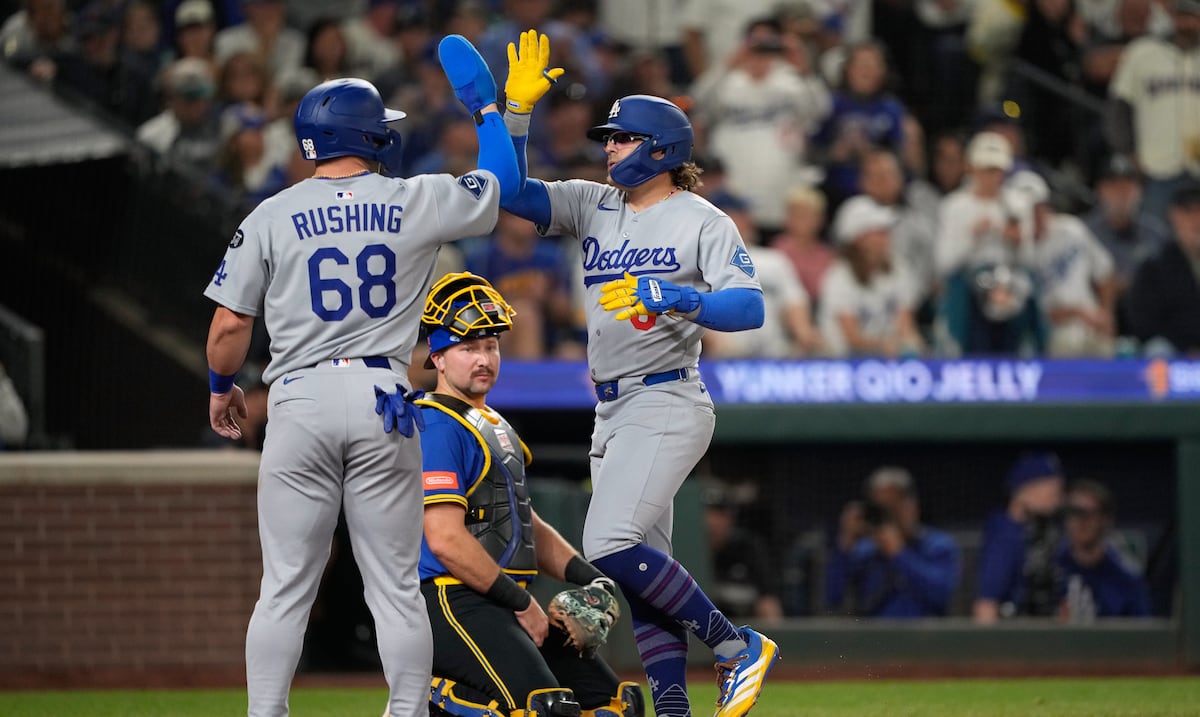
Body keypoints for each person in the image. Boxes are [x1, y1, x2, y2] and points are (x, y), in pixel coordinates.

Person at [201, 33, 520, 717]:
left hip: (300, 394)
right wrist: (488, 110)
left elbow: (229, 329)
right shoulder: (415, 197)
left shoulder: (272, 213)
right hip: (384, 395)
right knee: (397, 586)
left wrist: (220, 388)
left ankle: (266, 712)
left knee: (286, 583)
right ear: (368, 136)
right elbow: (506, 182)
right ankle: (405, 711)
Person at [497, 30, 777, 717]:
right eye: (609, 138)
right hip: (614, 408)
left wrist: (680, 296)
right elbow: (508, 191)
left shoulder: (700, 219)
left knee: (607, 543)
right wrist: (514, 116)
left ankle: (736, 645)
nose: (609, 148)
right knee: (644, 574)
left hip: (668, 398)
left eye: (621, 139)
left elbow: (749, 306)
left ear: (660, 149)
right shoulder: (595, 203)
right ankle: (675, 710)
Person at [398, 271, 643, 717]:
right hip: (451, 600)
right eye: (467, 347)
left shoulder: (493, 422)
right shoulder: (434, 424)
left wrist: (589, 578)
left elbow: (524, 522)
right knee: (545, 708)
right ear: (437, 356)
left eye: (490, 346)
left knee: (617, 705)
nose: (483, 358)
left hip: (502, 597)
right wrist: (521, 602)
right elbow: (446, 540)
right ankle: (438, 699)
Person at [826, 467, 960, 618]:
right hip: (874, 637)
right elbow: (833, 599)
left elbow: (941, 595)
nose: (888, 518)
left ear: (911, 506)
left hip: (925, 636)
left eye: (892, 508)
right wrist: (845, 543)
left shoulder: (938, 546)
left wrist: (899, 553)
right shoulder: (865, 551)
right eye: (880, 510)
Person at [818, 196, 924, 358]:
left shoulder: (899, 268)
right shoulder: (839, 278)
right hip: (843, 363)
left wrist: (912, 344)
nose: (887, 238)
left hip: (888, 359)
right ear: (859, 239)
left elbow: (905, 324)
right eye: (879, 232)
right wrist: (885, 345)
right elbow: (853, 340)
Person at [974, 452, 1066, 624]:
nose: (1057, 500)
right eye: (1051, 492)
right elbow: (986, 605)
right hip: (1013, 637)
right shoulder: (1006, 535)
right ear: (1024, 490)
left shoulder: (1048, 531)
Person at [1056, 479, 1152, 621]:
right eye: (1074, 512)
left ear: (1106, 520)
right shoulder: (1050, 568)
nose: (1080, 521)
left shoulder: (1126, 579)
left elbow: (1144, 634)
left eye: (1088, 514)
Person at [1127, 182, 1200, 355]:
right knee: (1157, 350)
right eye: (1188, 212)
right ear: (1174, 216)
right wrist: (1188, 346)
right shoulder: (1155, 265)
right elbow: (1144, 322)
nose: (1196, 220)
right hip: (1177, 346)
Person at [702, 483, 784, 621]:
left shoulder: (749, 548)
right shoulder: (679, 549)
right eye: (708, 514)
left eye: (720, 514)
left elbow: (769, 604)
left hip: (741, 632)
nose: (712, 522)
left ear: (731, 518)